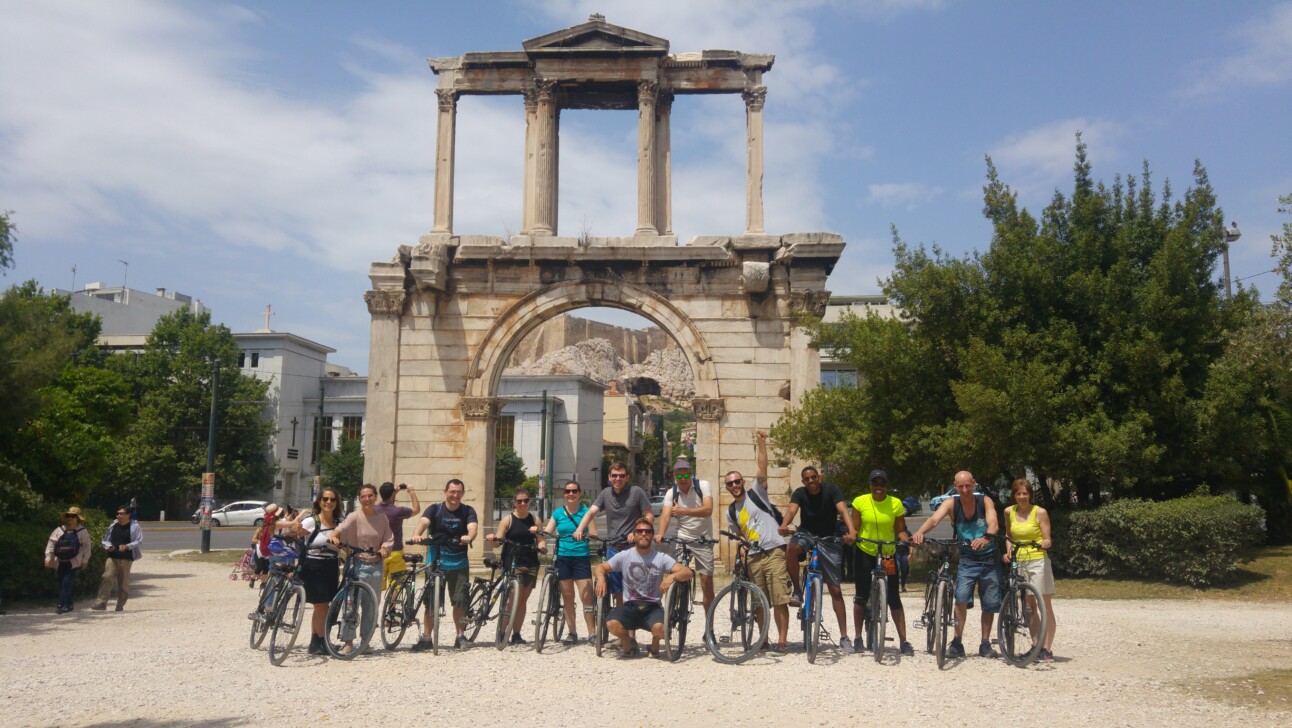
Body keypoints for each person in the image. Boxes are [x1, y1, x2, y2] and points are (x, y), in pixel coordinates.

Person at [911, 470, 1001, 659]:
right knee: (960, 599)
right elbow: (934, 519)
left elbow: (993, 523)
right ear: (955, 486)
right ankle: (957, 641)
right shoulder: (952, 503)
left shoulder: (984, 501)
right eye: (960, 486)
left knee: (989, 603)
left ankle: (985, 643)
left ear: (974, 484)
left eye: (968, 485)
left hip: (988, 558)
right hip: (967, 558)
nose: (965, 489)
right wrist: (919, 532)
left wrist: (986, 538)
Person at [723, 429, 792, 653]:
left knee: (779, 597)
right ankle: (763, 639)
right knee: (758, 601)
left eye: (736, 481)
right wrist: (742, 548)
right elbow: (740, 536)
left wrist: (762, 443)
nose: (734, 486)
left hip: (774, 550)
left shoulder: (756, 493)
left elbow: (762, 468)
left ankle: (782, 640)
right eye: (729, 484)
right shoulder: (731, 512)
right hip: (753, 556)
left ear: (742, 481)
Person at [778, 465, 858, 653]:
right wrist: (784, 524)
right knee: (791, 548)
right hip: (807, 534)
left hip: (829, 537)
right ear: (803, 481)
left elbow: (843, 511)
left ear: (819, 477)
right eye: (807, 479)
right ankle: (797, 590)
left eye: (814, 477)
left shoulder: (831, 490)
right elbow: (791, 510)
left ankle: (844, 636)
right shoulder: (799, 493)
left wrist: (852, 530)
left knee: (835, 589)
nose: (811, 481)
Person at [594, 517, 692, 658]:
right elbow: (600, 567)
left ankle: (654, 643)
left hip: (653, 607)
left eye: (647, 531)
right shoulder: (624, 556)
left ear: (652, 535)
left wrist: (671, 576)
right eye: (639, 531)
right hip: (630, 606)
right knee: (611, 624)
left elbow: (687, 572)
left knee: (662, 630)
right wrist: (601, 578)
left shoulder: (661, 557)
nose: (643, 534)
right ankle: (628, 641)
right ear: (634, 535)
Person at [850, 469, 914, 656]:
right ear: (870, 485)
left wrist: (906, 540)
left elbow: (900, 530)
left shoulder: (895, 504)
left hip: (887, 552)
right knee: (861, 595)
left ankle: (904, 640)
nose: (878, 487)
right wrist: (852, 537)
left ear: (886, 486)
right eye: (875, 483)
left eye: (882, 484)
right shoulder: (859, 501)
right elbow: (855, 528)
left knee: (894, 597)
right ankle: (858, 637)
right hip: (865, 550)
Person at [410, 478, 478, 651]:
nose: (455, 495)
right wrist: (417, 535)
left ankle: (460, 636)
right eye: (452, 491)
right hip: (436, 560)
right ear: (445, 492)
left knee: (460, 601)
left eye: (458, 492)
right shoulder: (435, 509)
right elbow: (424, 522)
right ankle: (426, 638)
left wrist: (469, 536)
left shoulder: (468, 510)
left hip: (459, 561)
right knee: (431, 601)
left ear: (463, 493)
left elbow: (473, 527)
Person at [573, 461, 652, 607]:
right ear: (609, 477)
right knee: (617, 590)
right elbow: (591, 512)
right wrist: (579, 529)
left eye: (621, 476)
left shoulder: (636, 492)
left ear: (627, 477)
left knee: (632, 588)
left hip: (632, 548)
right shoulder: (605, 493)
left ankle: (630, 624)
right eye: (614, 476)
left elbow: (649, 515)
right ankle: (621, 620)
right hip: (613, 547)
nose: (618, 479)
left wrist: (637, 532)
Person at [329, 483, 394, 654]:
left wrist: (384, 548)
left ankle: (366, 641)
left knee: (371, 605)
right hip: (356, 563)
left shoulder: (382, 518)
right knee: (351, 603)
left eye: (370, 495)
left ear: (375, 497)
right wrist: (335, 535)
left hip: (375, 565)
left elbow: (388, 538)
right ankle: (348, 641)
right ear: (359, 499)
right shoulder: (354, 516)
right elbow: (341, 528)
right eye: (363, 496)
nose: (367, 499)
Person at [1003, 478, 1057, 661]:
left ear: (1030, 495)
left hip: (1038, 561)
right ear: (1014, 495)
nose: (1022, 497)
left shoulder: (1039, 512)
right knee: (1029, 607)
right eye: (1018, 493)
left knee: (1044, 605)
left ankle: (1047, 648)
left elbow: (1047, 537)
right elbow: (1009, 536)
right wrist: (1008, 552)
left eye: (1025, 493)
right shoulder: (1009, 512)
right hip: (1019, 562)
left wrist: (1045, 543)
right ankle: (1035, 645)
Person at [655, 457, 716, 613]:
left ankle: (709, 627)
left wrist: (684, 511)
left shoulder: (702, 486)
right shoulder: (671, 492)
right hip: (682, 537)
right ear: (675, 477)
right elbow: (665, 516)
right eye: (679, 476)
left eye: (686, 475)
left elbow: (708, 510)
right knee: (674, 572)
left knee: (706, 583)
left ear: (691, 474)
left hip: (703, 539)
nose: (683, 479)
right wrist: (660, 533)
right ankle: (671, 611)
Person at [485, 487, 544, 645]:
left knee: (523, 601)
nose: (523, 503)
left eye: (526, 500)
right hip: (512, 563)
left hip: (531, 562)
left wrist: (543, 546)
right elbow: (498, 542)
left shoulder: (534, 519)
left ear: (529, 502)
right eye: (519, 501)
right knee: (512, 600)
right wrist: (492, 539)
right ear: (514, 503)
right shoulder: (508, 520)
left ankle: (516, 634)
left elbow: (541, 539)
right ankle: (503, 631)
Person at [543, 480, 597, 644]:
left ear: (579, 493)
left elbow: (594, 533)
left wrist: (586, 535)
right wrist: (539, 534)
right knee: (567, 596)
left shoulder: (586, 512)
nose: (571, 494)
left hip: (581, 556)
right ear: (564, 494)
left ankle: (592, 633)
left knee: (586, 596)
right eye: (568, 491)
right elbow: (548, 531)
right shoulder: (558, 513)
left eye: (574, 491)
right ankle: (572, 632)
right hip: (563, 556)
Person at [298, 488, 343, 656]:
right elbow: (295, 531)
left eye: (332, 499)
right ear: (319, 501)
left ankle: (315, 642)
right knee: (321, 605)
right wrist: (297, 530)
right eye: (325, 499)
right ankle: (323, 641)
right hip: (313, 565)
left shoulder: (340, 521)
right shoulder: (311, 521)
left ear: (336, 503)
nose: (328, 502)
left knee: (323, 606)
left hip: (331, 565)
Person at [92, 505, 143, 612]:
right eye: (118, 513)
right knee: (107, 576)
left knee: (123, 582)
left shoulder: (135, 526)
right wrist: (108, 546)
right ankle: (101, 602)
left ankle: (120, 604)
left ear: (128, 515)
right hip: (112, 556)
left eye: (122, 513)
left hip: (126, 557)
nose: (119, 515)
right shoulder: (113, 525)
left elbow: (139, 540)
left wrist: (127, 546)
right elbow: (105, 539)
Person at [45, 506, 92, 614]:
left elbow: (86, 547)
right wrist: (48, 557)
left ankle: (61, 605)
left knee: (66, 583)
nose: (70, 518)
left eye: (73, 516)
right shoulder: (59, 530)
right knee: (63, 583)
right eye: (68, 516)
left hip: (73, 563)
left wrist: (85, 560)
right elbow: (51, 544)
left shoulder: (82, 531)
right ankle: (69, 604)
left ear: (78, 518)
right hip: (60, 561)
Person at [375, 481, 420, 589]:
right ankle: (392, 605)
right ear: (392, 494)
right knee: (397, 586)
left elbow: (384, 502)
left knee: (376, 587)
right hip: (395, 552)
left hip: (378, 552)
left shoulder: (374, 510)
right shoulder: (398, 511)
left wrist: (393, 492)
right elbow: (416, 510)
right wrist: (411, 492)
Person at [249, 503, 281, 589]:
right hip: (260, 551)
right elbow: (253, 540)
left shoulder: (273, 528)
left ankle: (263, 583)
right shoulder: (260, 529)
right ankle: (253, 579)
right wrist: (262, 541)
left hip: (269, 551)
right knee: (259, 567)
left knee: (266, 568)